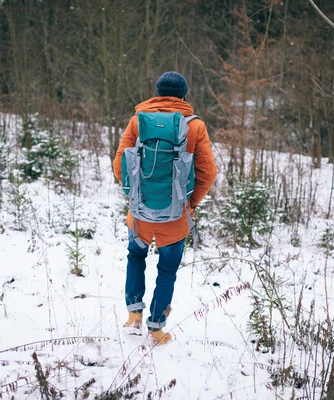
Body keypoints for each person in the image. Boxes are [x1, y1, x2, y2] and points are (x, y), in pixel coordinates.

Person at [112, 71, 217, 345]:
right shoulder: (195, 126)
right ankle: (156, 329)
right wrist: (188, 204)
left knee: (135, 258)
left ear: (158, 92)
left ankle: (134, 315)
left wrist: (134, 196)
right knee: (167, 270)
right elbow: (208, 172)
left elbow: (120, 162)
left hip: (140, 214)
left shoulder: (139, 121)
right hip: (177, 216)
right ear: (184, 95)